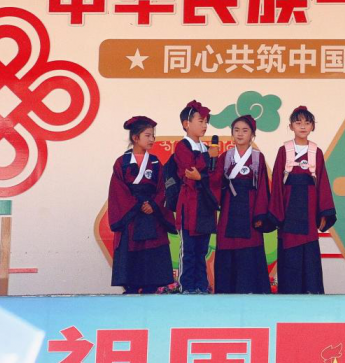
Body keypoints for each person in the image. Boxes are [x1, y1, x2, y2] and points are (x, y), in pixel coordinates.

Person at [269, 106, 337, 294]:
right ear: (291, 126)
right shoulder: (284, 150)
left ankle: (312, 295)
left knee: (309, 256)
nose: (303, 126)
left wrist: (324, 213)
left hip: (309, 211)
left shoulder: (316, 152)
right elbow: (277, 183)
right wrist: (277, 213)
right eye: (298, 122)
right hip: (288, 210)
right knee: (289, 253)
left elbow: (322, 183)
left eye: (307, 123)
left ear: (313, 126)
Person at [108, 116, 175, 294]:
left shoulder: (155, 162)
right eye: (147, 135)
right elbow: (118, 191)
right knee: (130, 267)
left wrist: (154, 204)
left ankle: (150, 290)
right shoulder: (121, 163)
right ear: (135, 138)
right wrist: (137, 205)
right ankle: (130, 291)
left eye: (153, 135)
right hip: (131, 217)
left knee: (152, 269)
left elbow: (163, 188)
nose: (152, 139)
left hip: (152, 216)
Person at [213, 115, 273, 294]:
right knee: (227, 246)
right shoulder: (225, 157)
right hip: (229, 208)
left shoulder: (258, 158)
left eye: (245, 130)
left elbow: (262, 188)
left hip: (250, 209)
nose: (240, 134)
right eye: (236, 130)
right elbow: (215, 184)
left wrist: (260, 215)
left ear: (252, 134)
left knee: (250, 247)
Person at [172, 100, 220, 294]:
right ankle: (186, 287)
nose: (204, 125)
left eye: (206, 121)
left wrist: (202, 174)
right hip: (189, 205)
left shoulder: (207, 148)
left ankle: (201, 286)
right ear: (186, 123)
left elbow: (213, 175)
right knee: (189, 250)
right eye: (200, 121)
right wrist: (207, 158)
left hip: (205, 205)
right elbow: (188, 170)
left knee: (202, 250)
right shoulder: (182, 146)